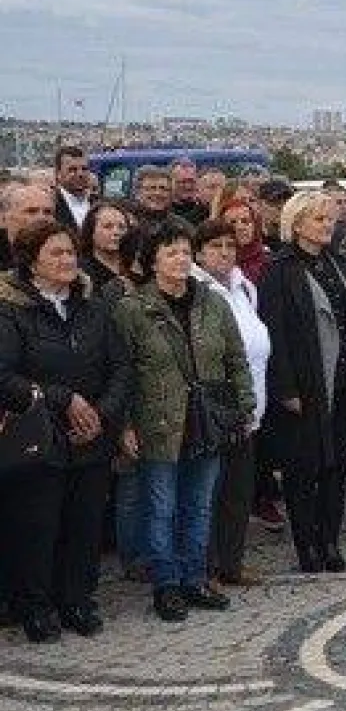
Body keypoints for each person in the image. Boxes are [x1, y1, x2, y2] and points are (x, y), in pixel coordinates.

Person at [113, 218, 255, 622]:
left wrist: (243, 407)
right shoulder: (133, 309)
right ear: (151, 260)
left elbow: (235, 359)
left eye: (184, 251)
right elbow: (122, 370)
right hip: (158, 420)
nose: (180, 259)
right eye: (170, 251)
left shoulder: (212, 302)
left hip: (208, 419)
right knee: (161, 507)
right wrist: (125, 424)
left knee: (199, 505)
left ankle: (194, 579)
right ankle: (166, 585)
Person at [0, 220, 133, 641]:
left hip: (92, 436)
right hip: (40, 435)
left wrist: (101, 413)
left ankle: (77, 598)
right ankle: (36, 606)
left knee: (84, 523)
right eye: (55, 253)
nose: (67, 260)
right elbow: (4, 376)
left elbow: (120, 367)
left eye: (70, 252)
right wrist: (64, 401)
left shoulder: (93, 305)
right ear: (31, 261)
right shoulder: (12, 308)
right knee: (38, 526)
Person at [259, 191, 346, 573]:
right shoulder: (279, 269)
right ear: (296, 224)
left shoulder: (340, 263)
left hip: (342, 380)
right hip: (305, 383)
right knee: (303, 468)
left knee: (336, 465)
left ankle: (330, 540)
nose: (327, 225)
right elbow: (273, 332)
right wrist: (286, 388)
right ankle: (306, 544)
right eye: (318, 219)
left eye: (330, 218)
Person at [191, 219, 271, 586]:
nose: (224, 253)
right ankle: (205, 566)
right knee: (209, 491)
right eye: (214, 247)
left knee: (238, 491)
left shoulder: (244, 287)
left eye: (229, 246)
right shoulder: (196, 291)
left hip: (250, 403)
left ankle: (231, 563)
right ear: (199, 253)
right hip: (214, 407)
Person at [78, 200, 132, 292]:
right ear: (91, 232)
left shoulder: (133, 266)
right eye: (108, 226)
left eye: (122, 227)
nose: (116, 232)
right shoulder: (81, 271)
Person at [51, 145, 95, 231]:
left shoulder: (99, 203)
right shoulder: (51, 205)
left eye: (84, 169)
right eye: (72, 169)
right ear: (58, 173)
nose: (80, 174)